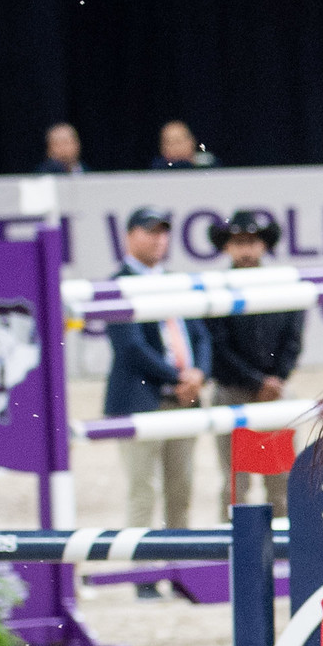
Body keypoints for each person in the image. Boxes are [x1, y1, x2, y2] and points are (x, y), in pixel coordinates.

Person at [104, 208, 211, 594]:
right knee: (142, 489)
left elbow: (200, 331)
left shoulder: (175, 280)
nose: (159, 239)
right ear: (130, 236)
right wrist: (179, 376)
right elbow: (129, 347)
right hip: (142, 399)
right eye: (150, 232)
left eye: (163, 233)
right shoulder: (115, 283)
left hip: (183, 399)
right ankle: (144, 574)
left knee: (180, 488)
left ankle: (179, 568)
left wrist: (198, 372)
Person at [204, 211, 304, 518]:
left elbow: (293, 338)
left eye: (252, 242)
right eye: (239, 243)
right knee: (236, 483)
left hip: (272, 390)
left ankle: (283, 551)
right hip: (235, 390)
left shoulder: (282, 284)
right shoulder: (216, 288)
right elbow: (216, 346)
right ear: (227, 248)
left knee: (280, 479)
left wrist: (276, 378)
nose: (246, 250)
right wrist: (262, 381)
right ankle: (233, 554)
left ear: (263, 246)